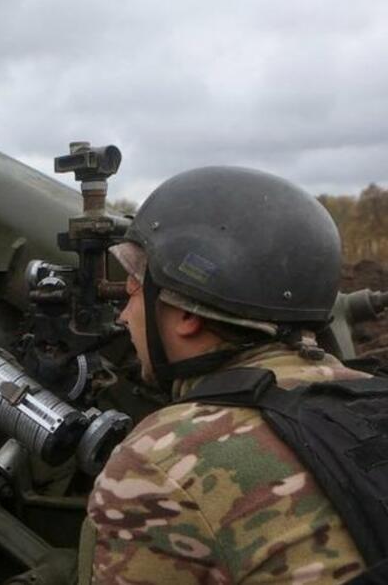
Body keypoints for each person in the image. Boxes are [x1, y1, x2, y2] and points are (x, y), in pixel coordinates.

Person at [80, 166, 369, 584]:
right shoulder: (367, 396)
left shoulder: (162, 465)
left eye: (134, 286)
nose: (124, 314)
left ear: (184, 314)